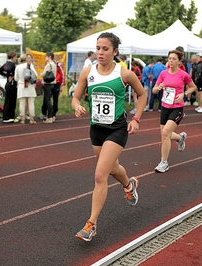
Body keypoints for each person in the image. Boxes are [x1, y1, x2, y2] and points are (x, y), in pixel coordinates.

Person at [72, 32, 146, 242]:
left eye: (105, 49)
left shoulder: (125, 74)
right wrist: (77, 106)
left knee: (100, 175)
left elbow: (142, 95)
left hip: (117, 129)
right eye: (98, 48)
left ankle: (91, 224)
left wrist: (136, 119)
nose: (101, 52)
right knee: (112, 168)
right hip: (96, 129)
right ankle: (129, 185)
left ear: (115, 51)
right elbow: (76, 97)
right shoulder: (88, 72)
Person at [153, 49, 197, 173]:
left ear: (179, 61)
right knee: (164, 135)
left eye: (173, 59)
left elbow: (193, 87)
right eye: (169, 58)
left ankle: (164, 162)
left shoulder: (183, 75)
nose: (171, 61)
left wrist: (184, 94)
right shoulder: (163, 74)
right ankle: (179, 138)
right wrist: (158, 87)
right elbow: (154, 90)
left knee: (166, 133)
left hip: (177, 108)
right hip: (165, 107)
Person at [15, 53, 38, 124]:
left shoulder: (18, 67)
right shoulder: (29, 65)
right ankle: (31, 119)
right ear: (26, 59)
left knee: (22, 103)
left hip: (21, 86)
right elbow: (36, 75)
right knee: (31, 103)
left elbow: (16, 78)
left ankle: (22, 119)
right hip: (30, 85)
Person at [0, 51, 18, 123]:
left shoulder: (5, 64)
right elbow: (13, 73)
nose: (16, 58)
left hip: (8, 84)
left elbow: (0, 71)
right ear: (12, 57)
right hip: (12, 84)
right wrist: (10, 76)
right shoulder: (12, 64)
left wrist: (6, 75)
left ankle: (9, 116)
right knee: (11, 101)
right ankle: (8, 116)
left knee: (8, 100)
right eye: (15, 57)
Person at [40, 52, 57, 124]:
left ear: (49, 57)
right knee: (49, 100)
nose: (45, 58)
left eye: (45, 57)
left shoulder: (48, 65)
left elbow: (44, 73)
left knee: (47, 100)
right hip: (53, 83)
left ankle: (49, 116)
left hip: (47, 84)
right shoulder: (54, 64)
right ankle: (52, 116)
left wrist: (39, 74)